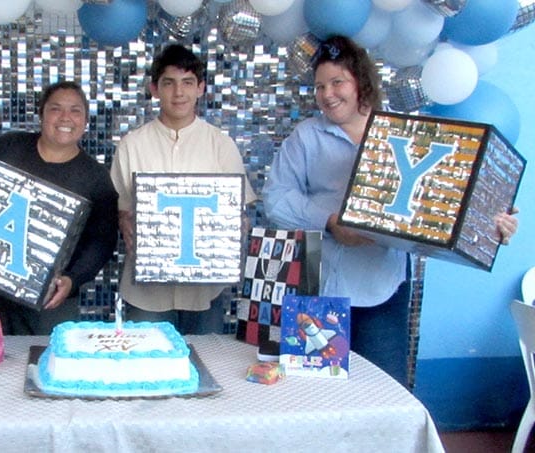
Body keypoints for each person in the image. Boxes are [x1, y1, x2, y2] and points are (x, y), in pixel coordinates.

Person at [262, 35, 518, 386]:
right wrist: (330, 222)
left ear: (361, 82)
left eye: (337, 82)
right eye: (320, 86)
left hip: (382, 288)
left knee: (384, 392)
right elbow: (275, 198)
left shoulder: (407, 134)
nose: (327, 94)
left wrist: (492, 222)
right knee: (314, 392)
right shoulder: (306, 136)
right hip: (317, 289)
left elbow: (449, 195)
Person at [110, 44, 258, 335]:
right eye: (169, 83)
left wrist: (237, 226)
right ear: (154, 89)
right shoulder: (132, 145)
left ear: (200, 88)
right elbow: (121, 208)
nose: (179, 92)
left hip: (205, 290)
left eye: (188, 82)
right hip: (146, 292)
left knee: (205, 359)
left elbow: (238, 212)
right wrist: (123, 220)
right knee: (149, 361)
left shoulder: (221, 144)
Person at [0, 80, 119, 335]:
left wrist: (72, 280)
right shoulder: (6, 147)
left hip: (50, 298)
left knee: (45, 357)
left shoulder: (96, 177)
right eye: (55, 108)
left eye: (75, 110)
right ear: (41, 114)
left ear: (85, 120)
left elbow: (101, 242)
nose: (65, 117)